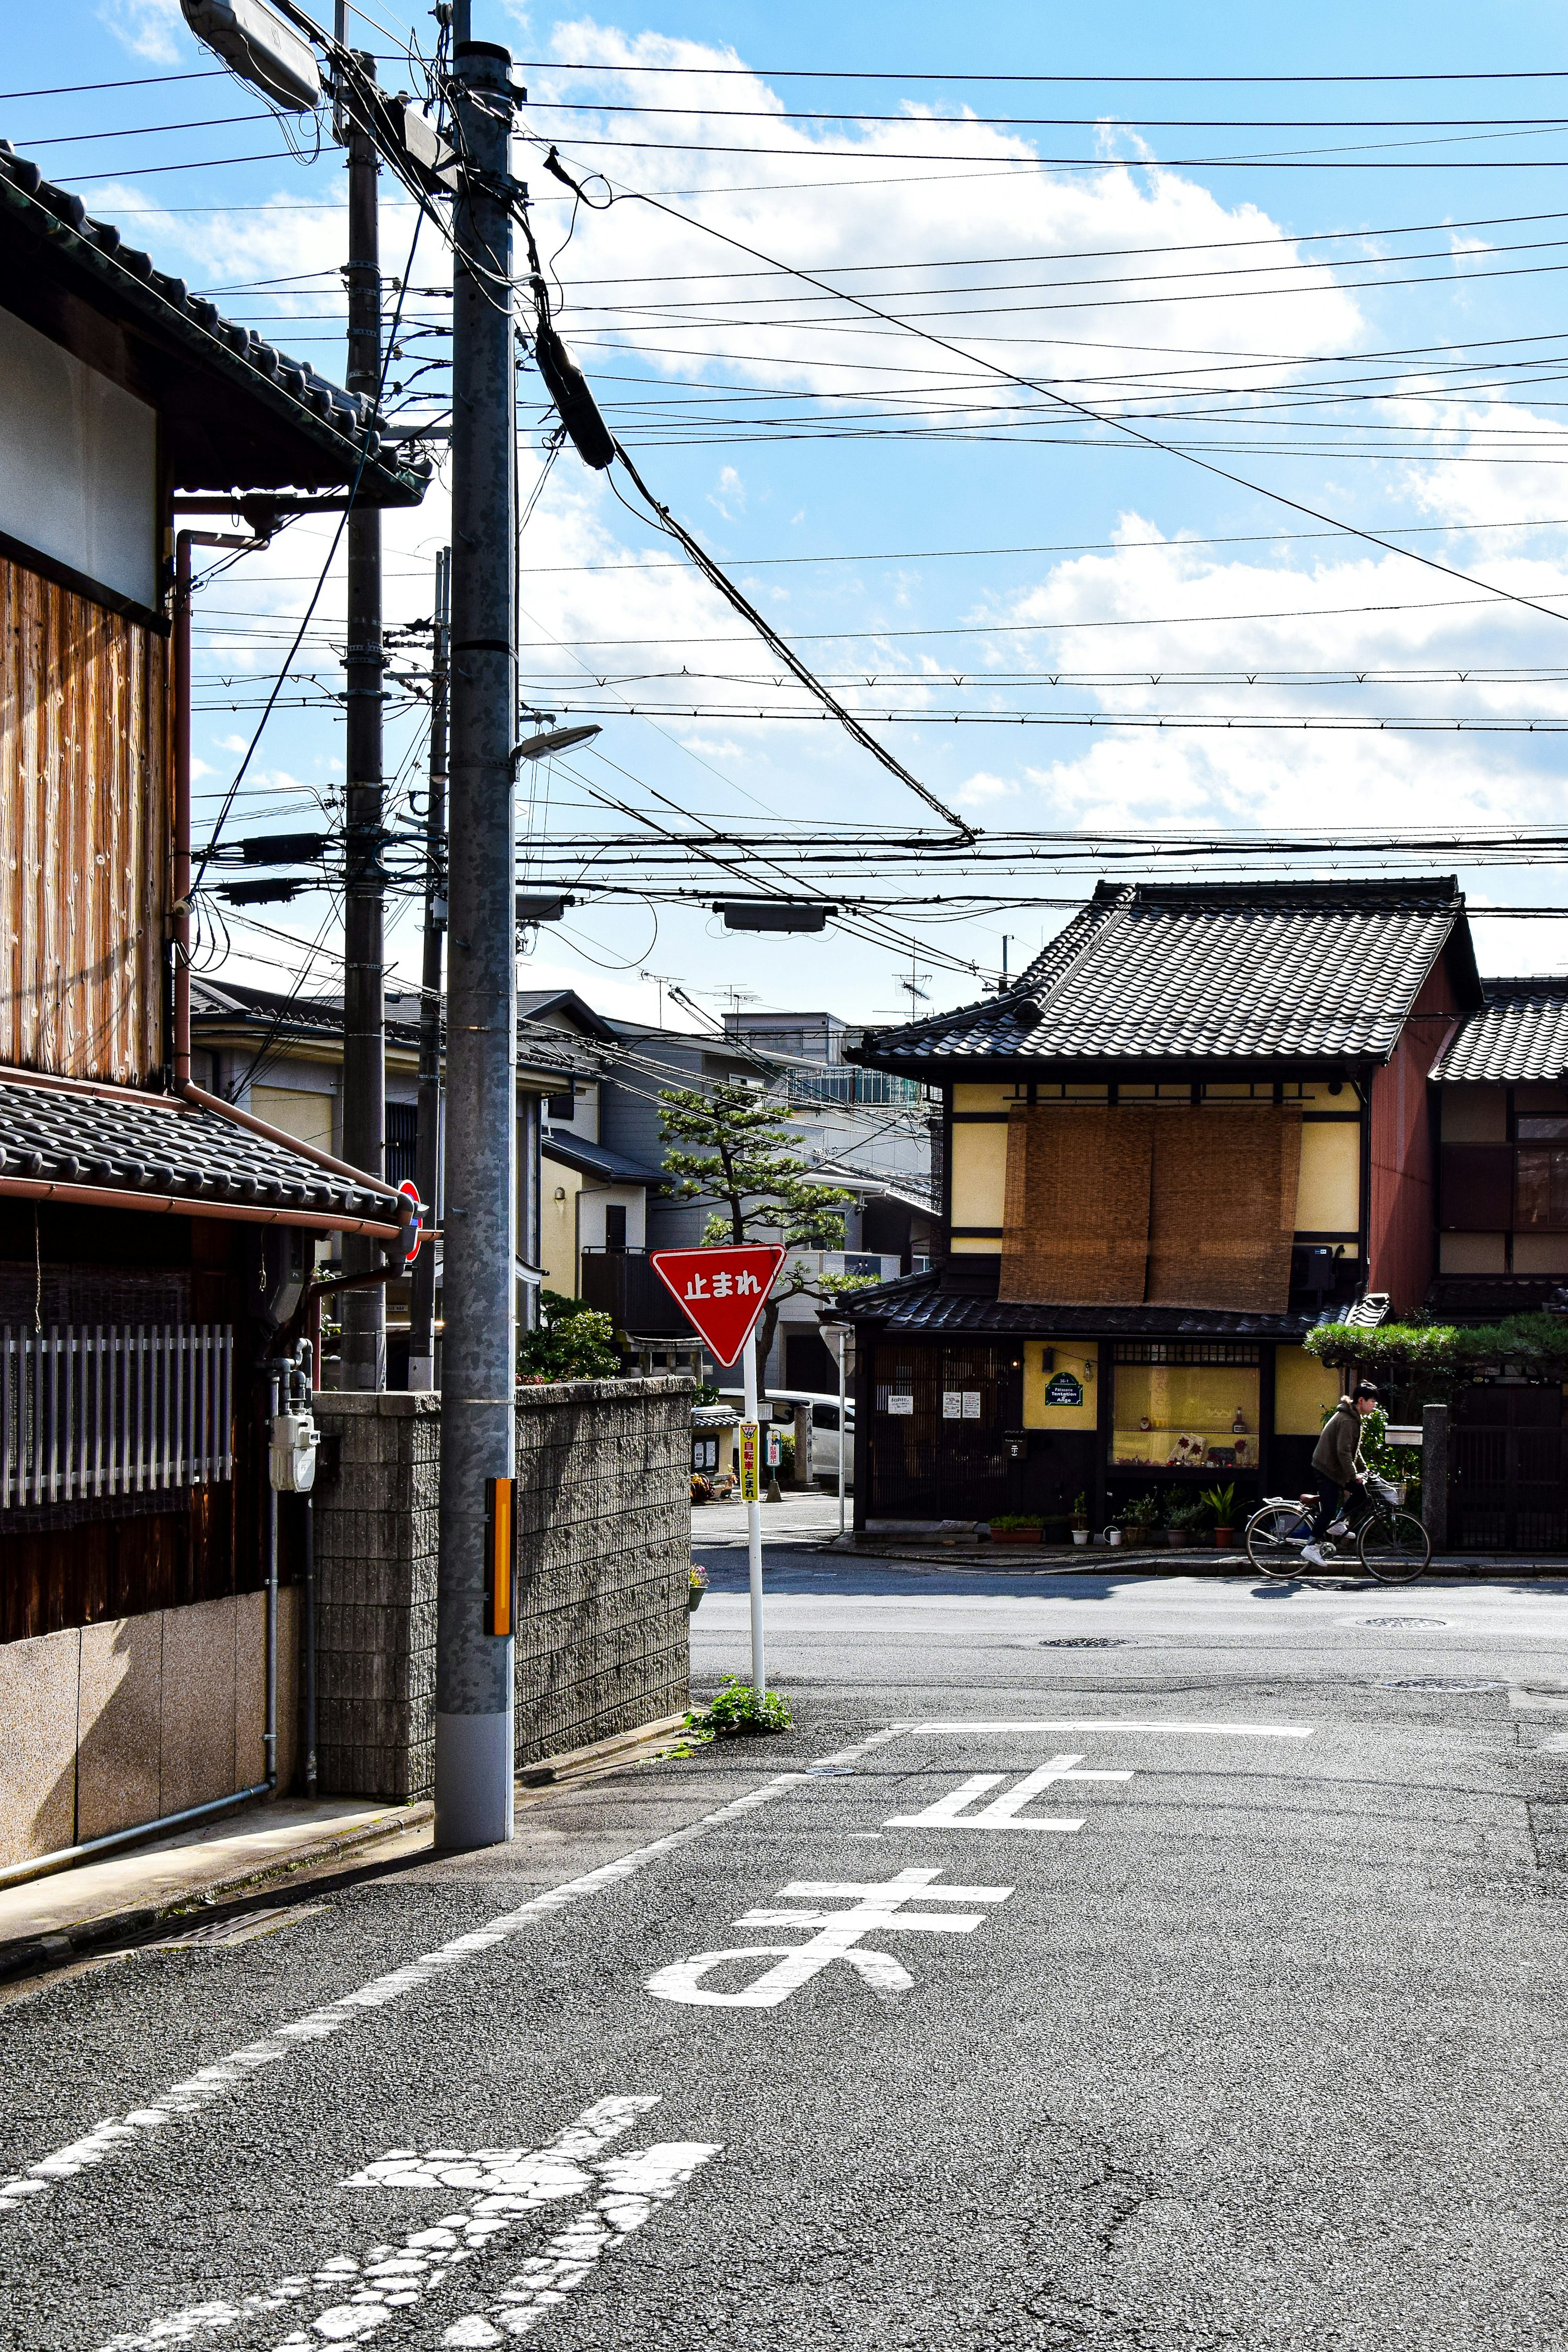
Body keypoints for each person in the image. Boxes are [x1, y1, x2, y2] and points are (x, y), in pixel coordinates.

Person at [1300, 1381, 1380, 1566]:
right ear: (1361, 1401)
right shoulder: (1347, 1420)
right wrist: (1354, 1475)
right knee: (1329, 1508)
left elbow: (1353, 1451)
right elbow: (1343, 1452)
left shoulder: (1353, 1417)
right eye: (1372, 1401)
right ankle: (1311, 1546)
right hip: (1326, 1468)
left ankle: (1338, 1523)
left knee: (1361, 1492)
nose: (1374, 1405)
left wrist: (1364, 1470)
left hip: (1335, 1468)